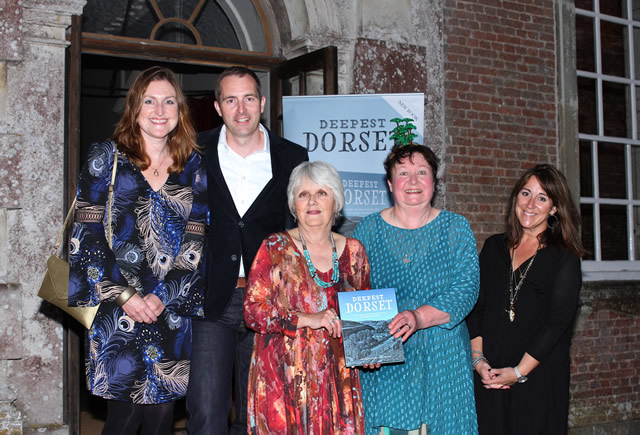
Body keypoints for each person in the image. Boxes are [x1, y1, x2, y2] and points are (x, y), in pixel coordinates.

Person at [68, 66, 207, 434]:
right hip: (117, 308)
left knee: (162, 419)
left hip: (170, 310)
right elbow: (87, 233)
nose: (159, 110)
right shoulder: (106, 157)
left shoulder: (194, 166)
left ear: (180, 111)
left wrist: (162, 296)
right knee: (124, 418)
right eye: (149, 100)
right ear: (134, 107)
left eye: (168, 101)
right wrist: (127, 295)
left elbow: (196, 239)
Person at [187, 66, 309, 434]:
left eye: (249, 98)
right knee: (207, 412)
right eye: (231, 99)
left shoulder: (293, 155)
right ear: (218, 106)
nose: (241, 109)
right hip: (211, 299)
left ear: (262, 103)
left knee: (257, 413)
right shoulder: (193, 149)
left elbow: (303, 225)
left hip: (271, 299)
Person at [353, 143, 479, 435]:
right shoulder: (367, 231)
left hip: (442, 360)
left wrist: (418, 317)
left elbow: (466, 289)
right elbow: (356, 293)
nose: (412, 181)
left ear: (434, 182)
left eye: (422, 172)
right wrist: (365, 349)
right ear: (389, 183)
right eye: (403, 173)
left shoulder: (455, 228)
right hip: (387, 364)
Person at [243, 161, 369, 434]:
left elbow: (364, 317)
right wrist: (305, 318)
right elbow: (253, 311)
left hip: (338, 383)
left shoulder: (355, 252)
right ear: (293, 204)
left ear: (337, 201)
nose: (312, 201)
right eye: (303, 194)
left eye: (322, 192)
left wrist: (372, 348)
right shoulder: (274, 247)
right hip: (284, 382)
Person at [466, 164, 585, 434]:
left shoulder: (564, 257)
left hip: (538, 377)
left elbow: (557, 325)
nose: (531, 204)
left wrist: (518, 372)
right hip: (490, 375)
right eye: (525, 193)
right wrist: (478, 361)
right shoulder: (493, 247)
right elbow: (478, 308)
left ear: (554, 208)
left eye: (542, 198)